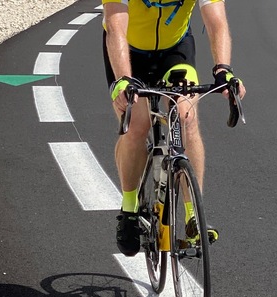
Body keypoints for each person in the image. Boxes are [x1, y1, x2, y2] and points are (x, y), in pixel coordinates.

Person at [101, 0, 246, 257]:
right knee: (137, 125)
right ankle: (129, 209)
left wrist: (223, 69)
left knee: (186, 116)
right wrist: (123, 80)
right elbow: (115, 26)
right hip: (128, 50)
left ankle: (193, 218)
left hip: (175, 48)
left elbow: (216, 22)